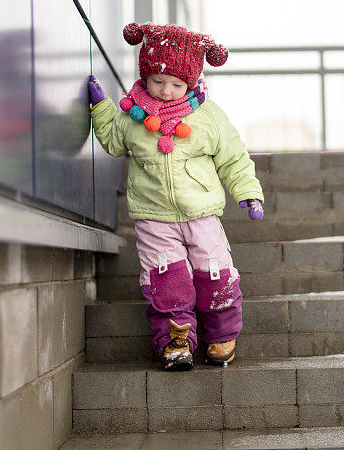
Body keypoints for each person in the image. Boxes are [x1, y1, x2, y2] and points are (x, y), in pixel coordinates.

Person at [88, 22, 264, 371]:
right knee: (166, 278)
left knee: (214, 273)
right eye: (158, 81)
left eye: (176, 84)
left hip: (201, 214)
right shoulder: (131, 116)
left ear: (191, 82)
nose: (166, 91)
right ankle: (175, 341)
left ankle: (221, 336)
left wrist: (247, 192)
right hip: (154, 216)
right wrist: (101, 109)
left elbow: (232, 157)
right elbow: (112, 140)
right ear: (145, 75)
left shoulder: (207, 116)